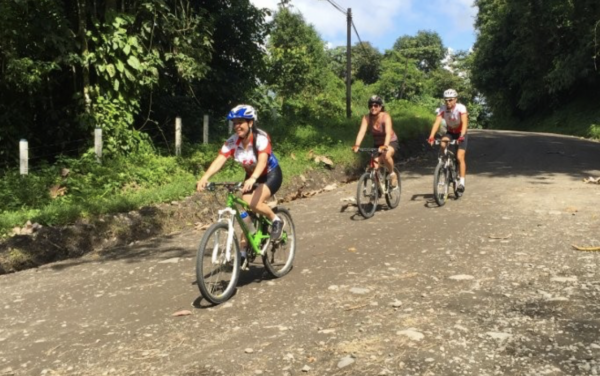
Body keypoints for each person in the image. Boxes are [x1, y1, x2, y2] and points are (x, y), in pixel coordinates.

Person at [196, 104, 283, 261]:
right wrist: (205, 177)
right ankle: (244, 249)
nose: (237, 126)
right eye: (234, 123)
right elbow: (219, 160)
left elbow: (263, 162)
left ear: (250, 123)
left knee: (254, 204)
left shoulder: (261, 138)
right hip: (251, 176)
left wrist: (253, 179)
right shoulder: (232, 142)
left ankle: (276, 220)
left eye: (240, 122)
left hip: (270, 174)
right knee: (245, 213)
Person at [352, 95, 399, 187]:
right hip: (377, 144)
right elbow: (361, 132)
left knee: (386, 156)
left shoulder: (385, 117)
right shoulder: (366, 118)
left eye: (376, 105)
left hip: (390, 142)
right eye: (371, 106)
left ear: (380, 107)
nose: (373, 108)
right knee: (374, 167)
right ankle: (377, 190)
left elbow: (388, 133)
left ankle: (392, 174)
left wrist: (385, 146)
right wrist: (357, 145)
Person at [428, 89, 469, 194]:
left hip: (461, 133)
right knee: (442, 143)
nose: (448, 102)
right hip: (450, 132)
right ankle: (444, 163)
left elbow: (464, 123)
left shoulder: (461, 108)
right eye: (446, 100)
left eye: (450, 100)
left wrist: (462, 136)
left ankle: (462, 183)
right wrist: (431, 136)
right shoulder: (442, 109)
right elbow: (437, 123)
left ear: (455, 100)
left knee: (460, 157)